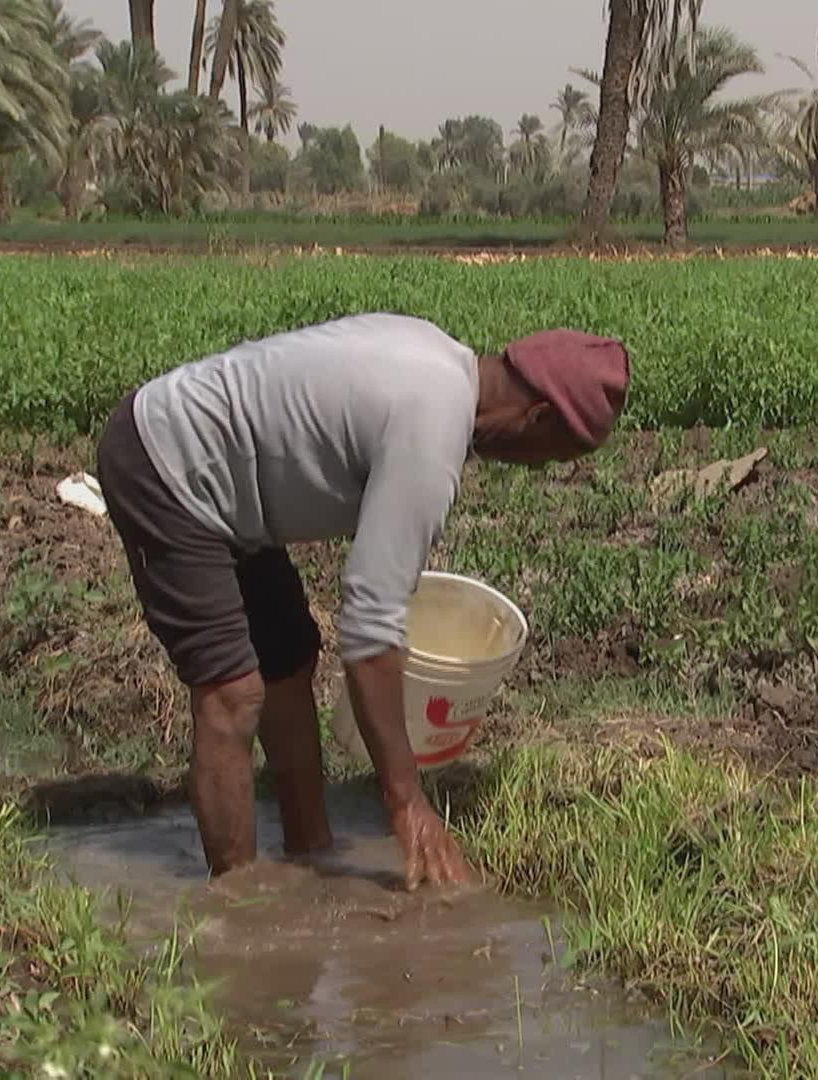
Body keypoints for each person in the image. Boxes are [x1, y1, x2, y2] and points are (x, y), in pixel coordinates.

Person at [94, 313, 630, 889]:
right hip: (167, 466)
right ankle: (240, 910)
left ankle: (311, 853)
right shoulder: (431, 430)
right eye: (550, 455)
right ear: (538, 416)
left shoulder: (439, 358)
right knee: (232, 692)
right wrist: (406, 801)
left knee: (289, 658)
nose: (535, 467)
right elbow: (370, 629)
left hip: (229, 483)